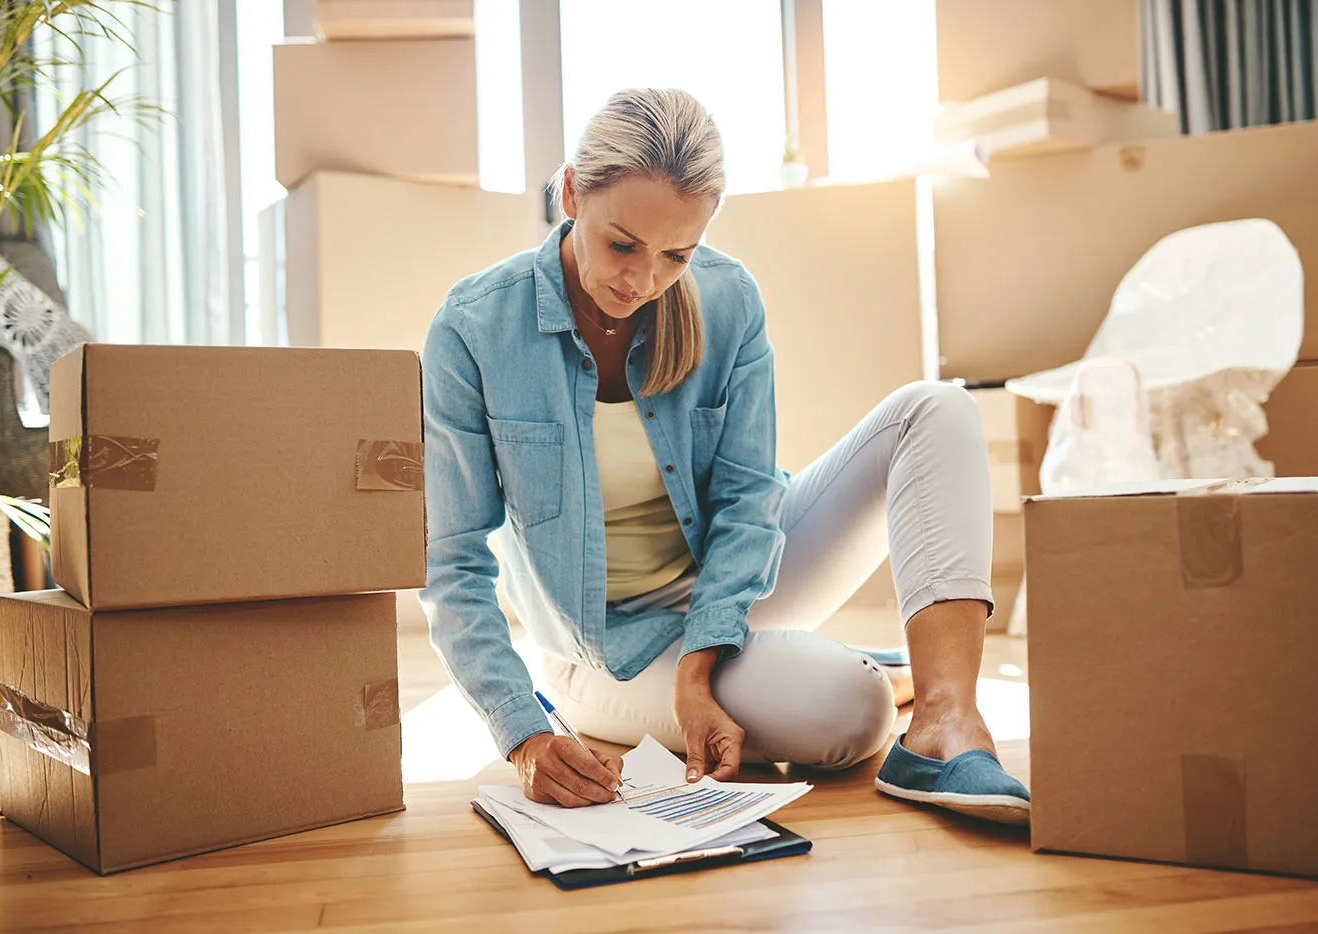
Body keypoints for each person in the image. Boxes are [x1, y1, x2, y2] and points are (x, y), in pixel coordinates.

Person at [420, 88, 1030, 824]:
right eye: (622, 244)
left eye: (677, 254)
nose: (642, 281)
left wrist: (702, 661)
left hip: (735, 584)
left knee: (939, 409)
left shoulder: (729, 298)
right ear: (573, 194)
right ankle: (876, 674)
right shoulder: (474, 327)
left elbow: (748, 499)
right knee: (850, 713)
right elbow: (453, 563)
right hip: (606, 649)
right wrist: (523, 735)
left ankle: (944, 724)